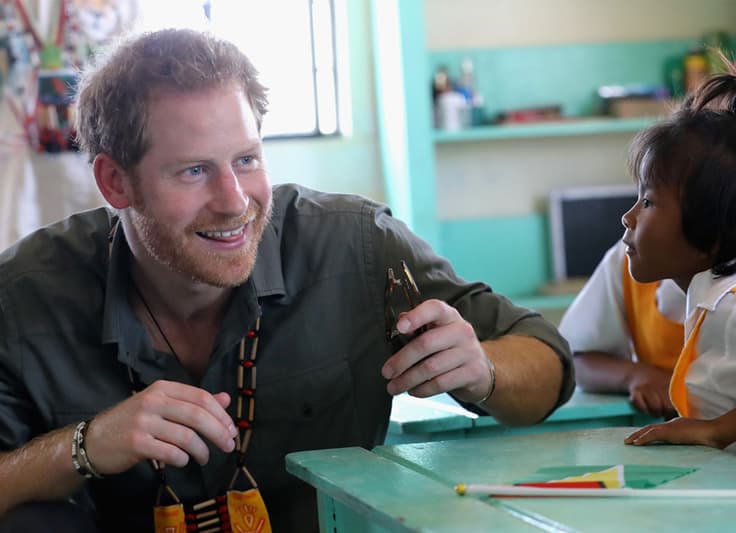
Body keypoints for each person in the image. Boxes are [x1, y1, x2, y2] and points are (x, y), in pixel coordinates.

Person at [0, 29, 574, 532]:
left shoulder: (355, 245)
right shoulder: (27, 294)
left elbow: (548, 361)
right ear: (115, 183)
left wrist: (485, 372)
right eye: (194, 170)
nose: (234, 202)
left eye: (247, 159)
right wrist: (85, 447)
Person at [559, 59, 736, 419]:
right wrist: (636, 375)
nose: (629, 216)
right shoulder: (637, 260)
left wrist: (719, 432)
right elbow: (573, 357)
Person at [619, 67, 736, 471]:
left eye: (648, 202)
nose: (628, 218)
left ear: (712, 233)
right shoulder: (723, 295)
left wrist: (717, 430)